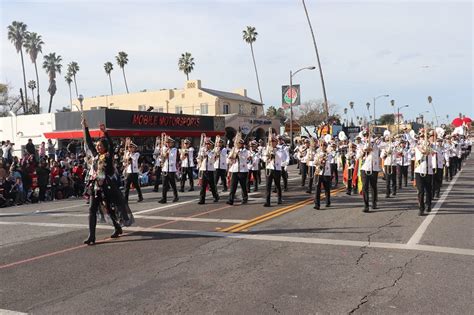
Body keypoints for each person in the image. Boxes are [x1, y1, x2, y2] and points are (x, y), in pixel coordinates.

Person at [81, 116, 131, 245]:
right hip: (95, 185)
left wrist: (106, 132)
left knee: (109, 208)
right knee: (92, 209)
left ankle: (117, 227)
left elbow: (112, 146)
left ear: (104, 147)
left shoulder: (108, 156)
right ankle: (91, 236)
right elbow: (88, 142)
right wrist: (85, 127)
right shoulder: (96, 156)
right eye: (97, 146)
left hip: (107, 185)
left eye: (99, 146)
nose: (97, 147)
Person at [357, 132, 381, 212]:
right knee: (365, 187)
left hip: (374, 168)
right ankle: (366, 205)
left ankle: (374, 203)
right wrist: (364, 151)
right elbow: (357, 157)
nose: (366, 137)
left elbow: (378, 149)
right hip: (364, 168)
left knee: (373, 187)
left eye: (368, 135)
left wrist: (372, 143)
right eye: (365, 136)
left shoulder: (375, 145)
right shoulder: (360, 146)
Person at [263, 136, 287, 207]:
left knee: (277, 185)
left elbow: (283, 158)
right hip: (269, 168)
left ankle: (279, 199)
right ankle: (267, 201)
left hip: (277, 169)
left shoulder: (280, 149)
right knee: (268, 186)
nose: (272, 143)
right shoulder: (267, 149)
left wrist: (275, 152)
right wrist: (267, 157)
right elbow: (263, 158)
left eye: (274, 141)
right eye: (271, 142)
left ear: (276, 142)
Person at [414, 129, 434, 215]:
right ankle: (421, 208)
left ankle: (428, 204)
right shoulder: (416, 146)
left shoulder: (431, 146)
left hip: (428, 170)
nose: (422, 138)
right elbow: (421, 151)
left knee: (428, 190)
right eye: (421, 137)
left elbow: (432, 152)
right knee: (420, 190)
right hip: (419, 170)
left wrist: (429, 145)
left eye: (424, 136)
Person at [226, 138, 249, 205]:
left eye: (240, 143)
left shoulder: (245, 151)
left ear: (242, 144)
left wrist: (238, 153)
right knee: (233, 186)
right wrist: (231, 156)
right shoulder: (233, 150)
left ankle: (245, 198)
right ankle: (231, 200)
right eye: (238, 143)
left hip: (243, 170)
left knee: (243, 186)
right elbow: (228, 160)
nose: (239, 144)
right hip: (234, 170)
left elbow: (245, 158)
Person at [196, 138, 219, 204]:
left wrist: (206, 152)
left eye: (208, 144)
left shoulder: (213, 152)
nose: (207, 145)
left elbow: (212, 159)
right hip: (203, 169)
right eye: (206, 144)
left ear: (211, 145)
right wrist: (199, 160)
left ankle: (216, 196)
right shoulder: (202, 151)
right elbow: (198, 158)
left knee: (212, 185)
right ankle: (202, 200)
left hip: (210, 170)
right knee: (203, 186)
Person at [159, 137, 179, 203]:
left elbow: (172, 157)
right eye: (167, 143)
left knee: (173, 184)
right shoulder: (164, 149)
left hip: (171, 169)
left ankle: (176, 197)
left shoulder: (174, 149)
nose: (167, 144)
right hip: (165, 168)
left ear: (172, 143)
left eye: (169, 143)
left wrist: (166, 153)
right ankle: (163, 198)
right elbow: (161, 158)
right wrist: (162, 157)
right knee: (164, 184)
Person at [313, 141, 332, 210]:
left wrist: (323, 159)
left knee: (327, 188)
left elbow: (329, 160)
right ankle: (317, 204)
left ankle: (328, 201)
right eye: (321, 145)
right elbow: (314, 162)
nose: (322, 146)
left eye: (324, 145)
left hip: (326, 173)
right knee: (317, 189)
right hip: (318, 172)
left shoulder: (329, 154)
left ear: (326, 146)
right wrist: (318, 161)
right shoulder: (317, 154)